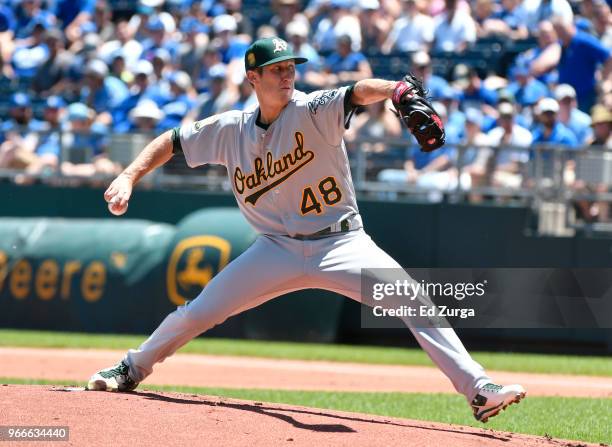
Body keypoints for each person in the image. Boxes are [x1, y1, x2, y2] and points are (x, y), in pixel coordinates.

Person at [87, 37, 526, 424]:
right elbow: (172, 141)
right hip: (275, 250)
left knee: (415, 301)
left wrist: (395, 89)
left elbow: (356, 92)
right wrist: (128, 176)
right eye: (277, 70)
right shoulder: (229, 130)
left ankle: (478, 390)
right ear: (253, 78)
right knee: (200, 311)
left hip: (343, 243)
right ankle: (130, 369)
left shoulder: (312, 108)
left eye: (291, 68)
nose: (287, 76)